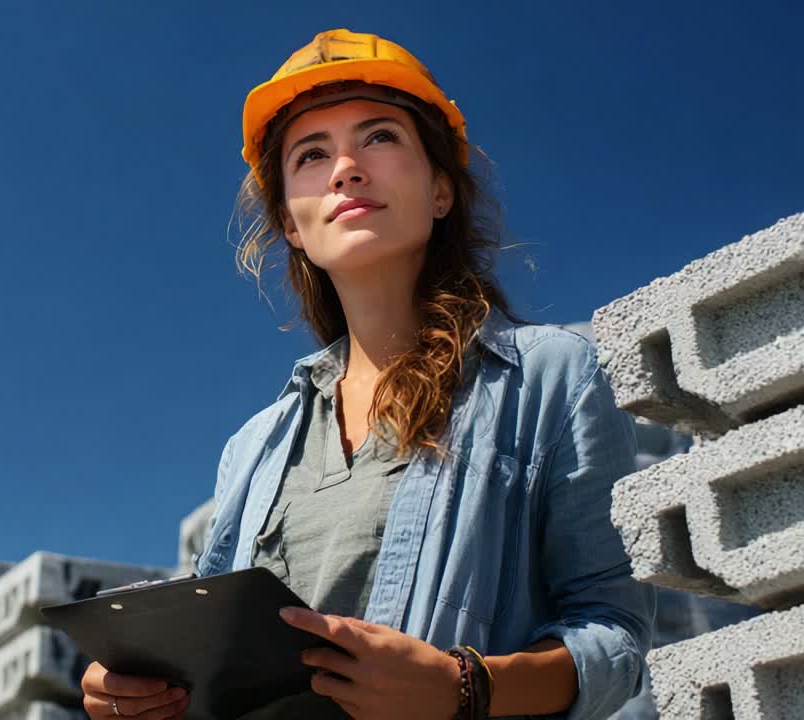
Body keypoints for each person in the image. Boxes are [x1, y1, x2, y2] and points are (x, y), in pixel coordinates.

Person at [81, 28, 654, 720]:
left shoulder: (550, 378)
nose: (345, 168)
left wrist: (462, 686)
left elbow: (615, 638)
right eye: (311, 154)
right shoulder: (252, 449)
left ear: (441, 190)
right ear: (291, 224)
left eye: (378, 137)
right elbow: (211, 662)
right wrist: (138, 689)